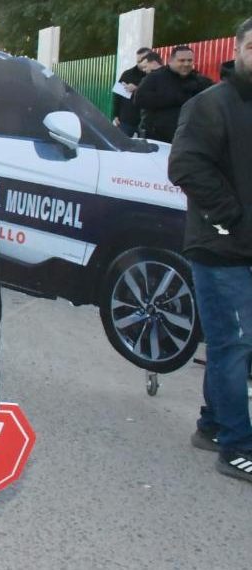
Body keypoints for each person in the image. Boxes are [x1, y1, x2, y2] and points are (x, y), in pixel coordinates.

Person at [168, 16, 252, 484]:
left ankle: (213, 425)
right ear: (238, 50)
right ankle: (237, 445)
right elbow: (185, 166)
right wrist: (236, 217)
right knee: (234, 343)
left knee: (231, 345)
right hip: (221, 246)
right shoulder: (210, 104)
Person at [135, 45, 214, 142]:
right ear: (170, 61)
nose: (186, 64)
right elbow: (139, 99)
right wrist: (175, 98)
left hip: (187, 139)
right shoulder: (155, 78)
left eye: (189, 60)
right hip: (157, 139)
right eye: (181, 60)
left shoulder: (200, 81)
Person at [112, 47, 153, 137]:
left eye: (143, 60)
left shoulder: (156, 74)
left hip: (148, 121)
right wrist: (115, 115)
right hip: (126, 120)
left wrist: (137, 89)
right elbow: (117, 96)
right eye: (138, 61)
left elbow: (158, 94)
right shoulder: (127, 74)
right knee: (122, 146)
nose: (141, 64)